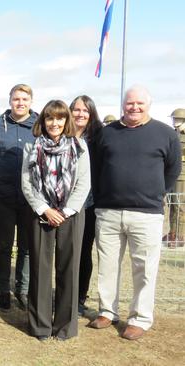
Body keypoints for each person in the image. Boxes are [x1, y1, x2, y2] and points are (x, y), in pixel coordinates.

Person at [88, 86, 181, 340]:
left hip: (147, 215)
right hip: (108, 212)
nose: (134, 108)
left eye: (139, 103)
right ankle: (108, 311)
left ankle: (140, 318)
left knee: (144, 269)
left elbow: (172, 170)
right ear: (123, 105)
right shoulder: (107, 134)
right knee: (107, 266)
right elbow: (95, 169)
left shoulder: (165, 134)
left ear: (148, 104)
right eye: (130, 103)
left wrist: (156, 193)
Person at [21, 100, 90, 340]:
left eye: (60, 118)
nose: (55, 123)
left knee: (68, 269)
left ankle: (65, 327)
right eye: (50, 118)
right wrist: (44, 209)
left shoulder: (79, 146)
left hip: (71, 215)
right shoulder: (32, 147)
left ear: (66, 121)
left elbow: (84, 183)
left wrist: (67, 210)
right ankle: (40, 326)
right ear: (43, 121)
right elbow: (27, 183)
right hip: (41, 213)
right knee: (40, 269)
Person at [0, 83, 38, 310]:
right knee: (4, 246)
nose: (20, 103)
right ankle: (3, 290)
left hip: (31, 199)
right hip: (3, 197)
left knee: (27, 246)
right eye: (16, 99)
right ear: (10, 101)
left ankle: (23, 290)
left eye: (24, 99)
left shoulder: (39, 125)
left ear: (30, 102)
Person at [69, 95, 103, 316]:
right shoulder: (64, 135)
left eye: (85, 110)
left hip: (89, 204)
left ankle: (80, 297)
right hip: (64, 203)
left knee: (83, 252)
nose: (80, 114)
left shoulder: (99, 138)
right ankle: (66, 294)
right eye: (76, 110)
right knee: (66, 252)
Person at [165, 108, 185, 245]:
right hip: (171, 173)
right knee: (172, 205)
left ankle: (180, 235)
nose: (174, 121)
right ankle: (173, 233)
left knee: (180, 205)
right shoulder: (172, 134)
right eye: (174, 118)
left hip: (183, 175)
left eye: (177, 119)